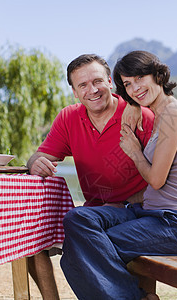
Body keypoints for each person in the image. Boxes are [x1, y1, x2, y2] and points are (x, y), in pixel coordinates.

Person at [60, 50, 177, 300]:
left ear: (157, 74)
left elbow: (156, 180)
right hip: (148, 215)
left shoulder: (175, 114)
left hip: (176, 224)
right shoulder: (157, 113)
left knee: (79, 252)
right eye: (127, 83)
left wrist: (135, 151)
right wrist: (134, 107)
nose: (135, 88)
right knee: (77, 218)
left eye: (139, 78)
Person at [26, 54, 155, 299]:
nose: (92, 90)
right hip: (96, 216)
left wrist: (125, 201)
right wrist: (36, 163)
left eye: (97, 81)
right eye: (83, 85)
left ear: (109, 82)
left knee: (74, 248)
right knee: (74, 248)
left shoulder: (139, 116)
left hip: (137, 212)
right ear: (74, 92)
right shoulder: (68, 118)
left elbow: (163, 178)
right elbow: (38, 156)